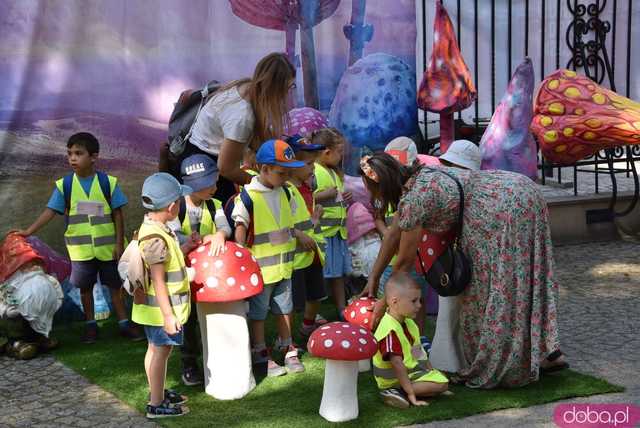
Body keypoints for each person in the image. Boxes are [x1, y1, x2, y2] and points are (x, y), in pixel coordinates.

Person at [360, 152, 567, 388]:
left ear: (380, 185)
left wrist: (381, 303)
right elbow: (394, 234)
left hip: (496, 210)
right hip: (521, 189)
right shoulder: (421, 174)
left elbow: (403, 265)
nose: (370, 195)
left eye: (369, 189)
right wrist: (374, 278)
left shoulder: (415, 198)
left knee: (488, 292)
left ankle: (495, 366)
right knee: (525, 277)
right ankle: (544, 353)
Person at [12, 132, 143, 343]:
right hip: (81, 252)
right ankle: (91, 326)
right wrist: (29, 231)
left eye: (78, 153)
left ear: (93, 157)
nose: (72, 158)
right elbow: (50, 211)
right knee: (85, 289)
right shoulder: (65, 185)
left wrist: (119, 244)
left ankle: (124, 323)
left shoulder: (108, 183)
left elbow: (118, 214)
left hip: (109, 249)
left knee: (115, 287)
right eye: (69, 153)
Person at [173, 52, 296, 205]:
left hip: (200, 155)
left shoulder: (245, 86)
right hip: (204, 165)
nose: (288, 93)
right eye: (289, 87)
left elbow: (259, 137)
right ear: (274, 88)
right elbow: (226, 168)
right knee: (223, 214)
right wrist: (264, 184)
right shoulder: (242, 117)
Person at [232, 139, 305, 377]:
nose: (285, 177)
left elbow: (288, 223)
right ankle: (260, 352)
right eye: (281, 172)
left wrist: (301, 235)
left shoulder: (285, 191)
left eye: (288, 173)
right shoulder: (248, 196)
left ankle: (287, 345)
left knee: (285, 308)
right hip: (260, 271)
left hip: (284, 267)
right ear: (264, 169)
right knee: (258, 313)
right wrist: (242, 256)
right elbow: (240, 225)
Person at [167, 154, 232, 386]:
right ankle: (189, 362)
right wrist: (204, 238)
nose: (213, 188)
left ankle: (214, 358)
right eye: (206, 185)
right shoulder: (178, 205)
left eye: (213, 182)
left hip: (210, 276)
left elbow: (225, 228)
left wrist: (220, 234)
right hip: (184, 275)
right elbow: (174, 234)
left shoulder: (215, 205)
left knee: (211, 317)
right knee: (188, 319)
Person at [132, 173, 192, 418]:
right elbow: (158, 280)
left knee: (154, 349)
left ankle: (156, 392)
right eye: (179, 200)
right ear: (171, 207)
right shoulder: (156, 239)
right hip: (160, 312)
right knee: (161, 352)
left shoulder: (154, 228)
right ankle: (156, 404)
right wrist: (168, 316)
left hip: (151, 311)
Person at [373, 272, 449, 409]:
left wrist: (430, 372)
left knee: (442, 379)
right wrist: (412, 395)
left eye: (419, 300)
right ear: (395, 302)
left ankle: (404, 390)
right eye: (414, 301)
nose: (419, 305)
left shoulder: (408, 323)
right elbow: (397, 365)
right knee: (441, 384)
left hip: (409, 373)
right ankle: (396, 391)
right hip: (392, 380)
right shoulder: (389, 330)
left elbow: (417, 352)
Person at [285, 135, 328, 338]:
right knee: (293, 300)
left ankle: (307, 325)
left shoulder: (306, 188)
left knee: (316, 293)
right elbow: (280, 221)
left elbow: (304, 218)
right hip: (295, 257)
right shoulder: (285, 191)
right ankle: (286, 338)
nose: (313, 168)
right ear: (292, 165)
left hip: (312, 253)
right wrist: (298, 234)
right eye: (309, 163)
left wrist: (315, 217)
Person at [311, 128, 352, 318]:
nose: (341, 156)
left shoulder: (333, 172)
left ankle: (342, 309)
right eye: (339, 152)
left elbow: (333, 200)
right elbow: (308, 197)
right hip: (324, 232)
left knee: (338, 273)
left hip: (337, 232)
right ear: (327, 152)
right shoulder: (315, 172)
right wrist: (324, 195)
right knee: (321, 275)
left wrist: (342, 199)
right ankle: (313, 312)